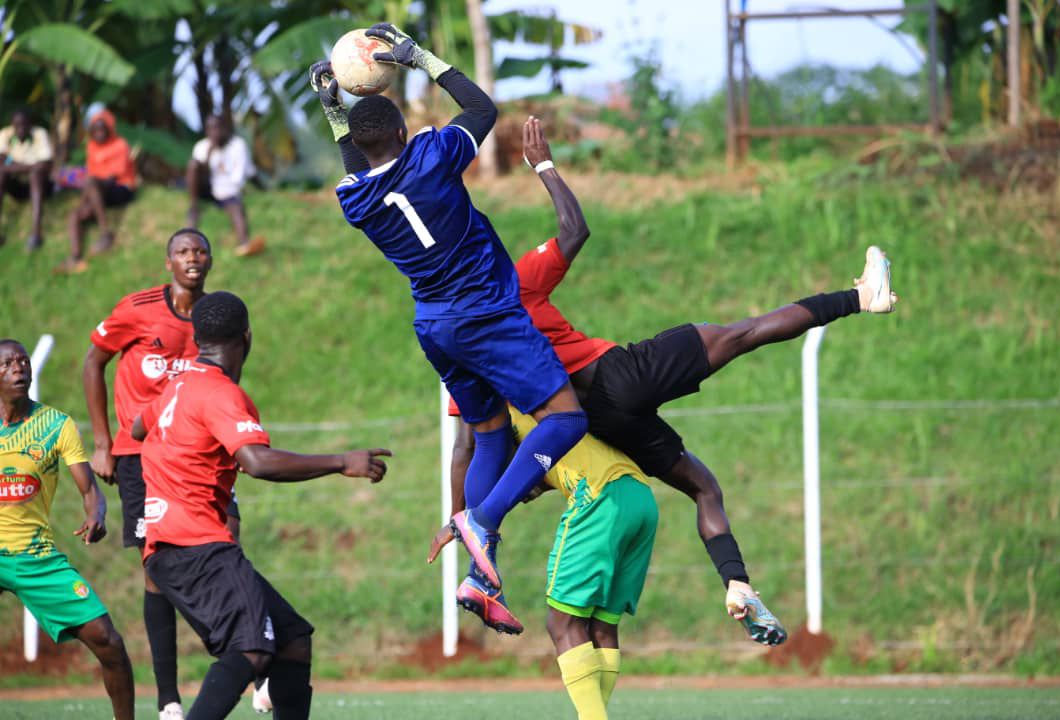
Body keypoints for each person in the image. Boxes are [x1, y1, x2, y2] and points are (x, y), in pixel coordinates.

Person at [436, 117, 899, 644]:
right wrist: (543, 165)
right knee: (740, 335)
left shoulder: (457, 345)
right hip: (618, 376)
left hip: (594, 426)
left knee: (701, 485)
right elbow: (574, 230)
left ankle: (739, 585)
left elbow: (466, 448)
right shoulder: (511, 285)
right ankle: (863, 297)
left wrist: (464, 522)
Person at [310, 22, 588, 603]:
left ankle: (479, 578)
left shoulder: (353, 199)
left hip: (435, 326)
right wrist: (419, 58)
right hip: (486, 311)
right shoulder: (434, 155)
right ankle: (481, 520)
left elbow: (354, 162)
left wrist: (335, 112)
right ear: (404, 130)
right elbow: (482, 108)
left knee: (489, 437)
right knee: (567, 420)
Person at [130, 291, 391, 720]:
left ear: (197, 339)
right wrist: (343, 461)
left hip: (168, 546)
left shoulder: (178, 386)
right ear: (246, 338)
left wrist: (189, 455)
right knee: (250, 648)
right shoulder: (220, 392)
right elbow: (257, 461)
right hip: (198, 545)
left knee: (292, 640)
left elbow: (141, 427)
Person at [82, 228, 231, 720]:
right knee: (157, 570)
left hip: (191, 456)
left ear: (210, 259)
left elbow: (223, 393)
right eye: (184, 251)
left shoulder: (216, 320)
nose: (193, 258)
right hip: (137, 457)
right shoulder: (139, 308)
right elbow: (93, 362)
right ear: (168, 262)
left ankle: (246, 658)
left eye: (201, 250)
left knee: (227, 540)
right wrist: (103, 443)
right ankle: (168, 699)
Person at [435, 405, 655, 720]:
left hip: (596, 497)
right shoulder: (547, 407)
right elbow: (541, 475)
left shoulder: (499, 410)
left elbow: (465, 448)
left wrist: (457, 520)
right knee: (603, 626)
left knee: (562, 623)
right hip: (641, 497)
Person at [0, 339, 135, 720]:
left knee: (109, 642)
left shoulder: (55, 425)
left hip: (34, 558)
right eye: (7, 363)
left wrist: (97, 514)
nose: (19, 368)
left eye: (23, 362)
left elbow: (90, 489)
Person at [61, 108, 136, 273]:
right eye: (96, 129)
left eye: (102, 128)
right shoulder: (91, 147)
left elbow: (112, 178)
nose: (99, 133)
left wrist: (90, 192)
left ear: (109, 129)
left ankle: (106, 234)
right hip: (98, 192)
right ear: (91, 132)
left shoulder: (120, 145)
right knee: (75, 215)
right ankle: (75, 257)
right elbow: (91, 173)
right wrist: (85, 203)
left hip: (121, 188)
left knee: (91, 181)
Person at [186, 115, 264, 257]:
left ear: (225, 128)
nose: (215, 132)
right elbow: (199, 174)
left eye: (218, 127)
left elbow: (239, 179)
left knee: (236, 209)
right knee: (193, 164)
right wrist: (209, 154)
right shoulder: (202, 147)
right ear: (206, 131)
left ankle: (244, 243)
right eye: (211, 129)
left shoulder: (237, 145)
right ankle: (193, 209)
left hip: (228, 192)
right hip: (207, 189)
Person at [0, 108, 53, 250]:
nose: (21, 128)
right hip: (18, 187)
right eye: (17, 125)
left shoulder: (40, 134)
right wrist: (30, 167)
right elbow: (1, 162)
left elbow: (45, 165)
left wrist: (12, 165)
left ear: (30, 124)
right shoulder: (5, 134)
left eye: (24, 124)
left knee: (36, 176)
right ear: (12, 125)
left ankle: (36, 233)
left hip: (41, 187)